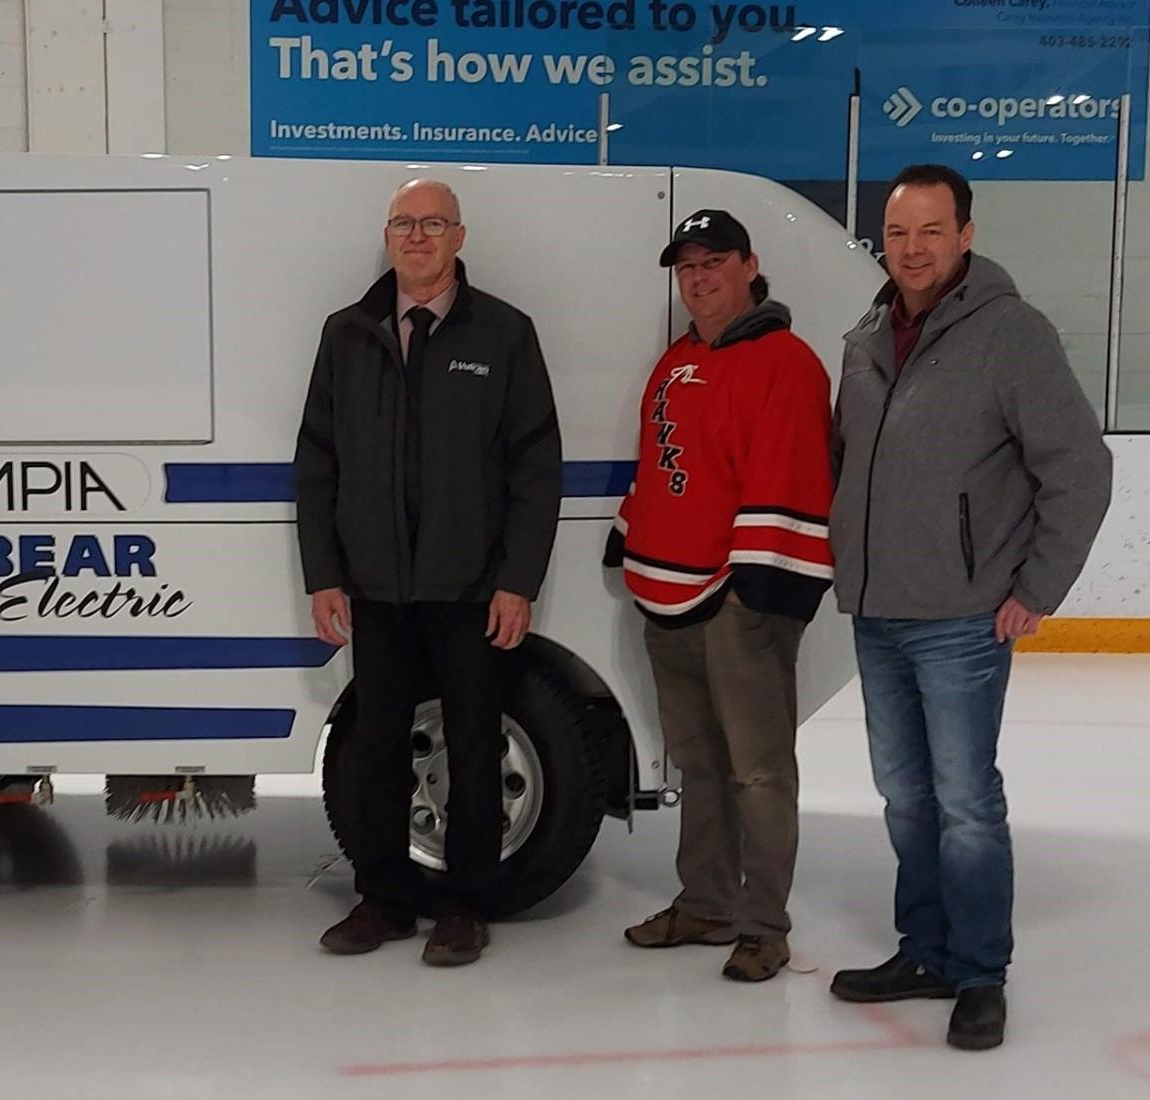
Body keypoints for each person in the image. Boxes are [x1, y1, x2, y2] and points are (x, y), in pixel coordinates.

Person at [827, 164, 1112, 1050]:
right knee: (904, 797)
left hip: (961, 617)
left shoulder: (1011, 333)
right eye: (899, 234)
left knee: (963, 800)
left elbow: (1080, 468)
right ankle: (926, 950)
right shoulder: (866, 335)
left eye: (931, 232)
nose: (913, 250)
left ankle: (980, 971)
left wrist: (1036, 588)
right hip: (878, 610)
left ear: (966, 235)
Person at [295, 178, 563, 967]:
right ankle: (383, 901)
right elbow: (318, 463)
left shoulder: (505, 334)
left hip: (470, 589)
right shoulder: (346, 335)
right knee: (375, 747)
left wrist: (518, 578)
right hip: (375, 590)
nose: (417, 237)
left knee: (474, 747)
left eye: (433, 224)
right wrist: (324, 574)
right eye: (404, 224)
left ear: (459, 237)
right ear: (387, 235)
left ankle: (465, 908)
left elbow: (534, 465)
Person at [606, 210, 834, 983]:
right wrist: (631, 537)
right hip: (665, 594)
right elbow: (661, 461)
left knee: (759, 770)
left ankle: (764, 926)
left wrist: (754, 595)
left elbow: (793, 480)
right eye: (687, 267)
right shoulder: (676, 360)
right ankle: (706, 903)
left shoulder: (787, 363)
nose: (698, 278)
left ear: (749, 265)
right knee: (699, 764)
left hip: (742, 602)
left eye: (714, 262)